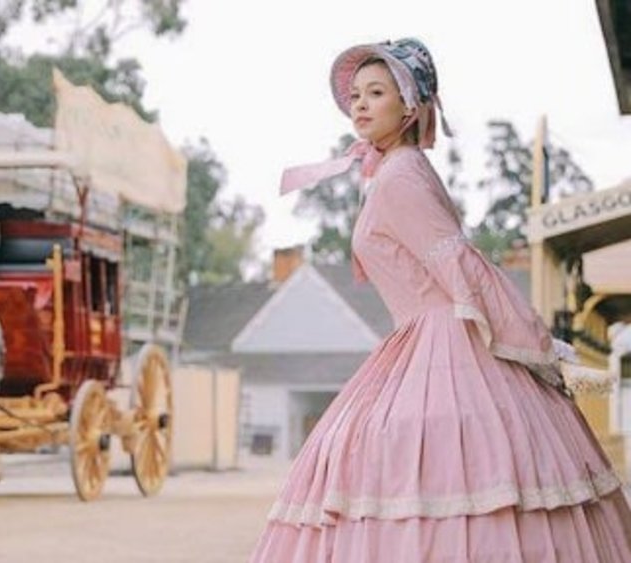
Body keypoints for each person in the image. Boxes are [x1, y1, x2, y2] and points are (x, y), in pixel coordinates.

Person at [252, 38, 631, 562]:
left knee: (434, 468)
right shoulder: (388, 172)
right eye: (356, 95)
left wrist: (535, 341)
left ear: (410, 107)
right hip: (416, 341)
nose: (359, 104)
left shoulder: (400, 175)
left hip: (445, 341)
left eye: (376, 92)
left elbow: (460, 265)